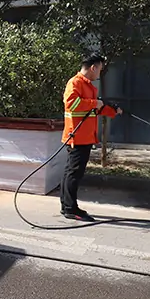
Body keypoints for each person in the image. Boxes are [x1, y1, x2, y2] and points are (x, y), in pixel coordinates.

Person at [60, 52, 122, 222]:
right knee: (74, 173)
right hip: (77, 136)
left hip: (84, 136)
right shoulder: (75, 83)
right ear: (93, 67)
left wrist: (112, 110)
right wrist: (96, 103)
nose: (99, 74)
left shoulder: (87, 86)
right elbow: (72, 104)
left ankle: (66, 205)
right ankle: (70, 209)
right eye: (100, 70)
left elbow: (93, 110)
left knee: (71, 172)